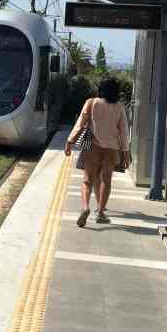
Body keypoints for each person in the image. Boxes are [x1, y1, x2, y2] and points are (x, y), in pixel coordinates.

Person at [64, 77, 131, 226]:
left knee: (87, 180)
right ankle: (100, 213)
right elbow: (124, 132)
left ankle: (85, 207)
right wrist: (126, 153)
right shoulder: (120, 107)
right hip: (112, 149)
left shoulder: (91, 103)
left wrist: (70, 141)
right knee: (106, 182)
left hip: (92, 147)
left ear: (100, 89)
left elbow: (80, 124)